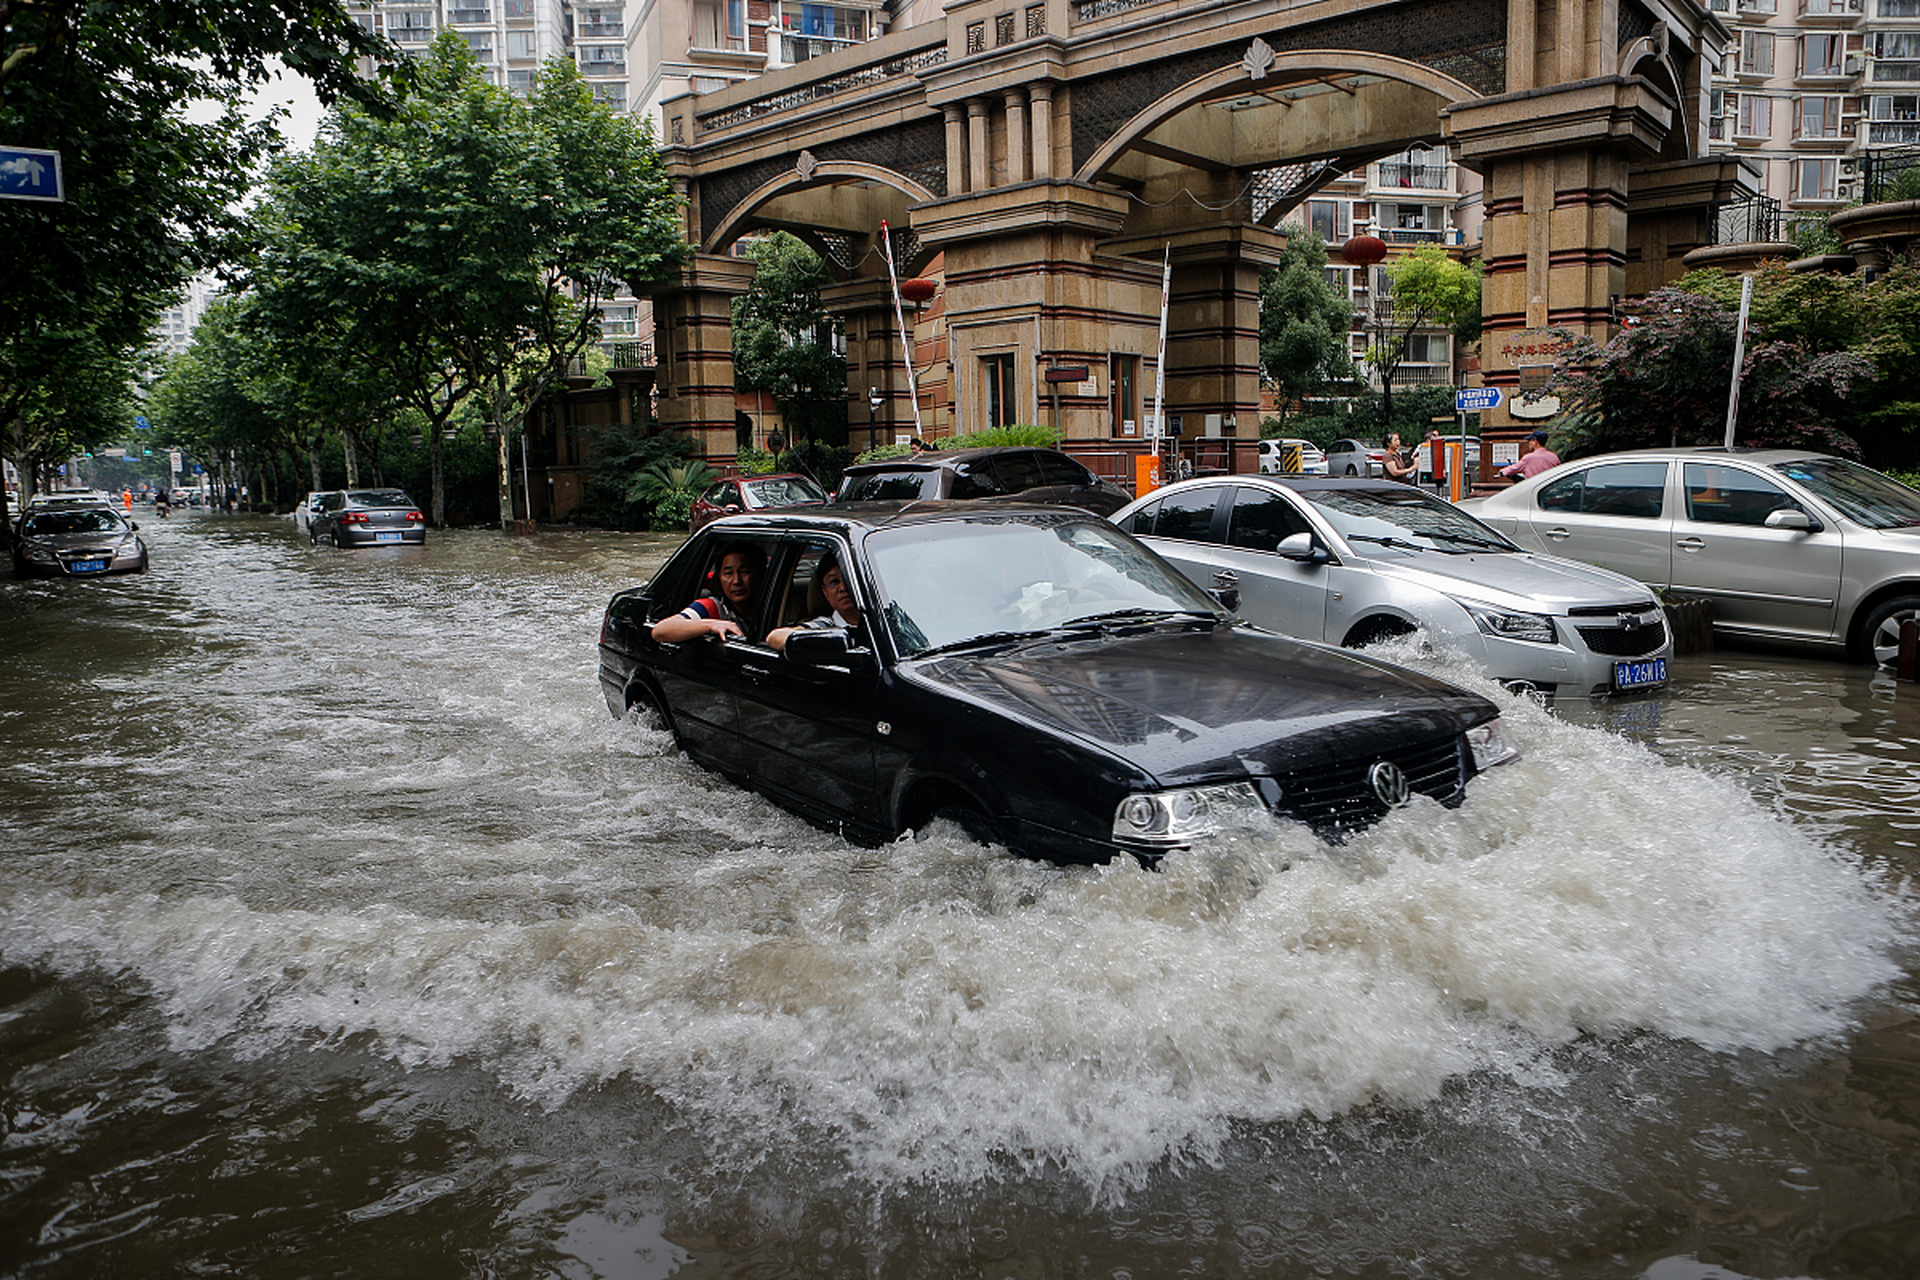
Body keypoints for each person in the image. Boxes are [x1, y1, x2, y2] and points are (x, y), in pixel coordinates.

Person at [650, 544, 764, 644]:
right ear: (719, 577)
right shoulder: (713, 607)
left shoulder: (778, 605)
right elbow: (660, 631)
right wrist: (711, 625)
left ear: (761, 574)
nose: (736, 581)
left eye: (745, 572)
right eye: (728, 573)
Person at [768, 556, 863, 652]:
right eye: (834, 582)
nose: (843, 587)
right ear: (825, 592)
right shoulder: (824, 626)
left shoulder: (877, 618)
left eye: (848, 579)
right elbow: (775, 637)